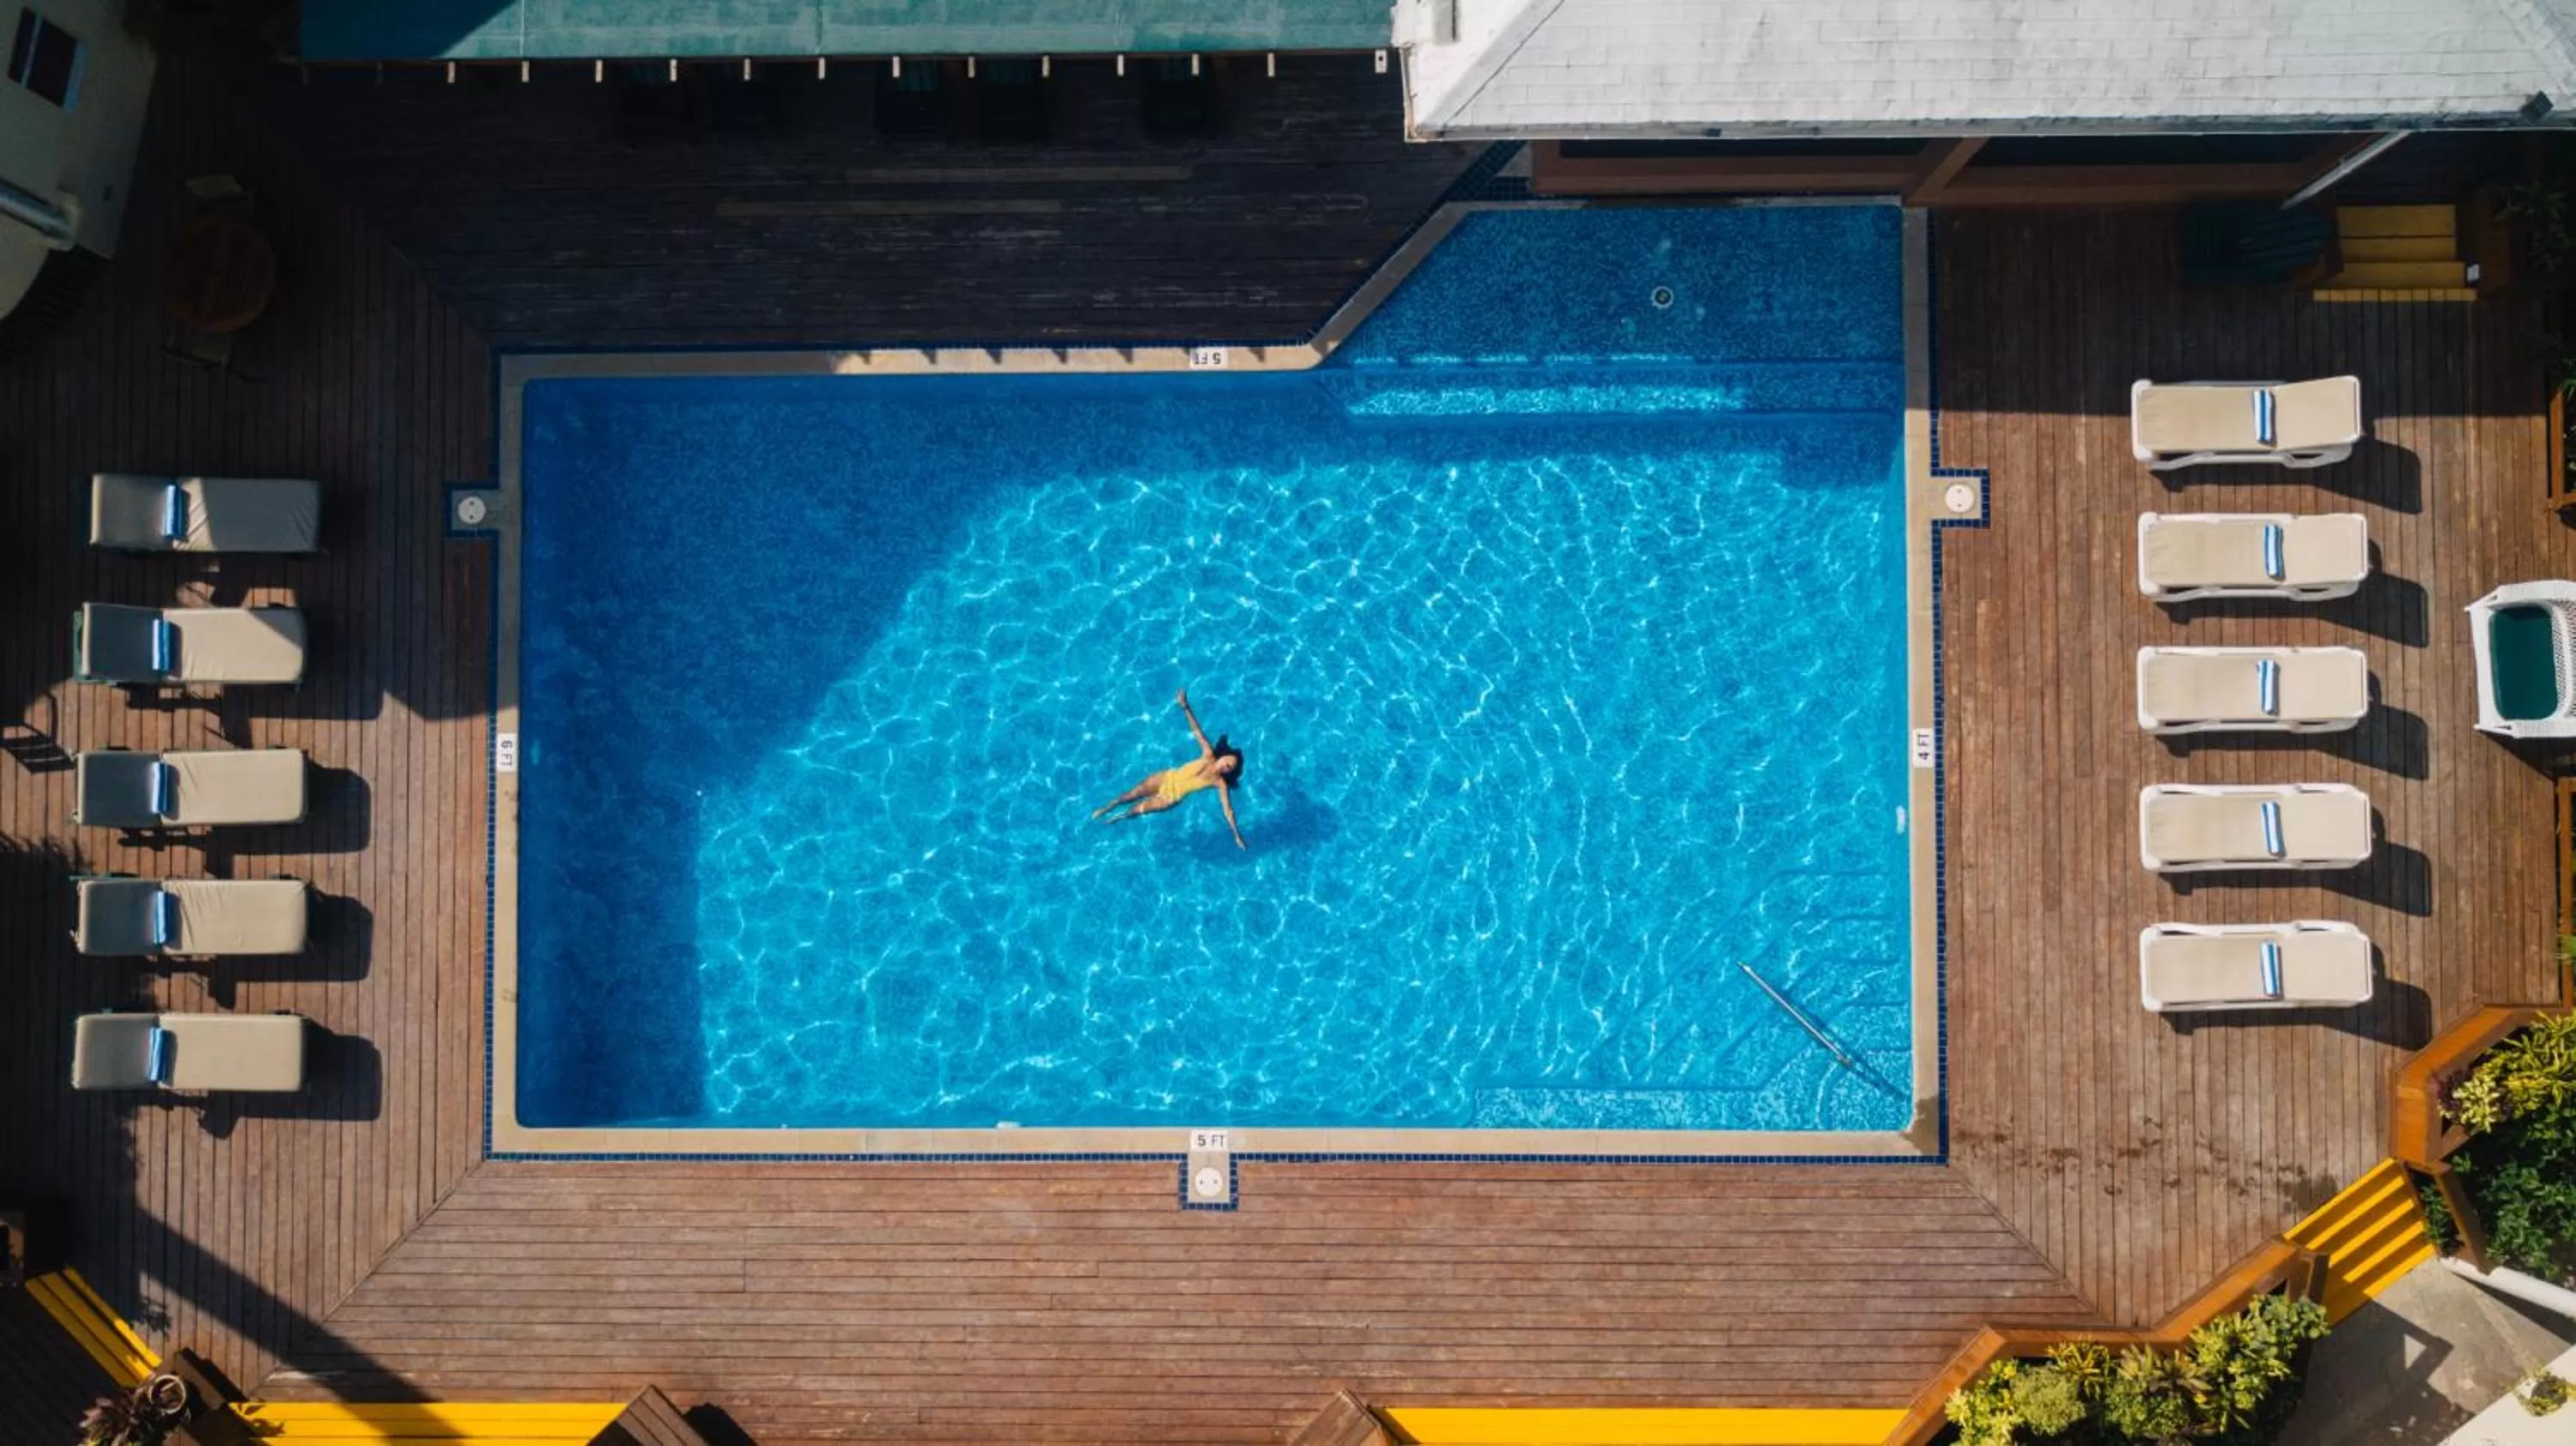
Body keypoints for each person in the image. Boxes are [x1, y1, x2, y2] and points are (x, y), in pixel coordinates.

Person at [1092, 688, 1246, 848]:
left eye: (1229, 767)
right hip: (1165, 778)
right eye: (1227, 761)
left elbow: (1228, 810)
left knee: (1135, 811)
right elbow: (1197, 732)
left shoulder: (1219, 783)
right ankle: (1104, 809)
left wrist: (1236, 835)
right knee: (1127, 796)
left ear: (1229, 772)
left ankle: (1119, 817)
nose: (1226, 765)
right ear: (1222, 756)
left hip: (1170, 798)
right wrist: (1185, 706)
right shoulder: (1208, 753)